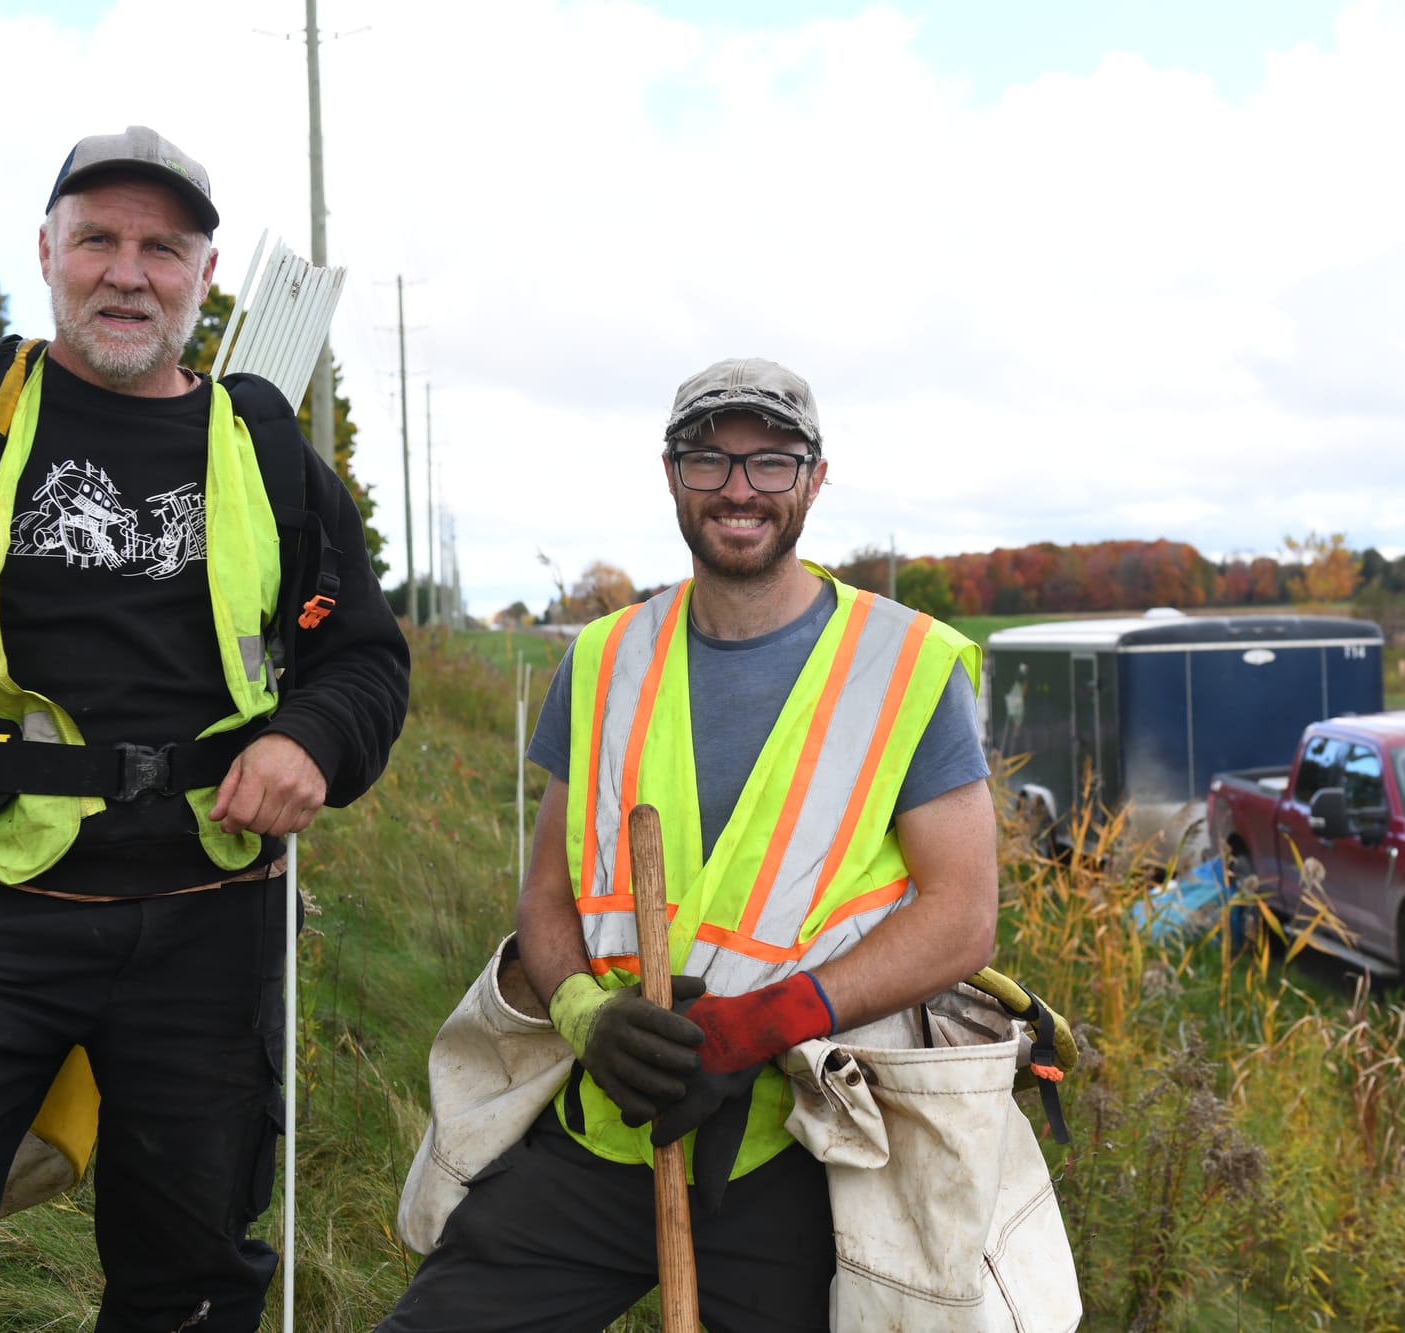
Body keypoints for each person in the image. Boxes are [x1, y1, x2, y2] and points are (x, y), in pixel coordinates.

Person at [0, 126, 410, 1333]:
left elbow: (361, 658)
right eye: (96, 237)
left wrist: (311, 737)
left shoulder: (267, 451)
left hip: (214, 921)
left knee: (192, 1286)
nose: (126, 270)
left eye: (163, 246)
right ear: (46, 250)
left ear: (204, 278)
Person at [379, 357, 1000, 1332]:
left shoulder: (904, 665)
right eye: (709, 459)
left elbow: (961, 914)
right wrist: (586, 1015)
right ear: (671, 472)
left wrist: (763, 1022)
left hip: (797, 1151)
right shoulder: (601, 659)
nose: (739, 488)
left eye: (770, 460)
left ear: (813, 477)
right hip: (609, 1126)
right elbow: (547, 892)